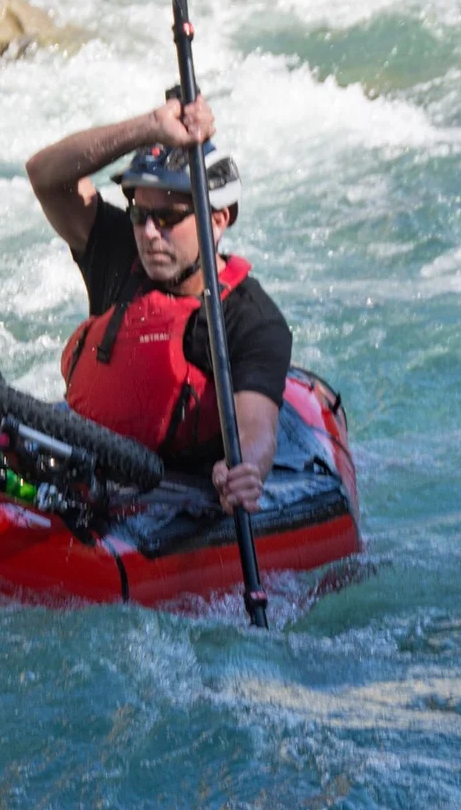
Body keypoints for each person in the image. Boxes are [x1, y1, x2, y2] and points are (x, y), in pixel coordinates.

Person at [25, 95, 291, 515]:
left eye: (167, 218)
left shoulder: (251, 319)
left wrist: (243, 470)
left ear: (217, 220)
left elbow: (255, 428)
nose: (149, 233)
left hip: (169, 497)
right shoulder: (118, 255)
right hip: (84, 464)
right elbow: (44, 175)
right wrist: (151, 126)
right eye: (139, 214)